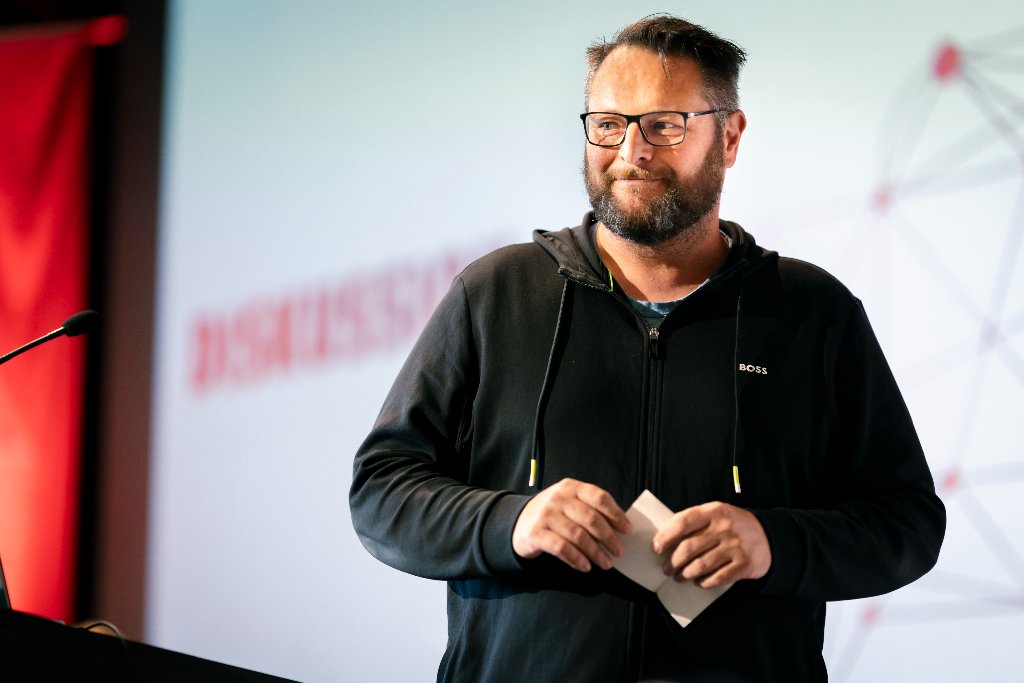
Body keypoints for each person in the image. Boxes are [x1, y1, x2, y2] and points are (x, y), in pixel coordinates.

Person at [350, 15, 945, 682]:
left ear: (730, 137)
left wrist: (772, 542)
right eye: (608, 124)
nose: (631, 150)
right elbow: (381, 492)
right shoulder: (496, 294)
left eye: (664, 125)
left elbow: (907, 523)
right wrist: (509, 523)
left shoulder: (812, 313)